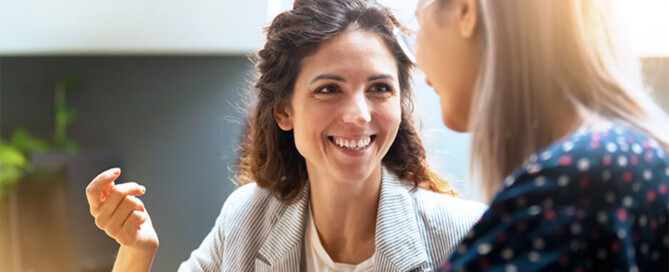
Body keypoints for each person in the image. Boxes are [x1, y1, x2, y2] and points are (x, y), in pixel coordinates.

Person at [85, 0, 488, 271]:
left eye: (380, 88)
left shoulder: (464, 235)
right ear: (284, 110)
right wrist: (137, 252)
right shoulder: (247, 218)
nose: (358, 114)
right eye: (329, 89)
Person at [401, 0, 669, 271]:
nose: (419, 65)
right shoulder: (618, 160)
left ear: (466, 11)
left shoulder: (581, 180)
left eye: (418, 22)